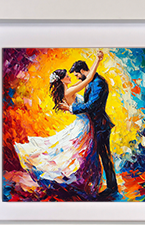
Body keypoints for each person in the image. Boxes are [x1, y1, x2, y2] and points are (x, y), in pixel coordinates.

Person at [12, 51, 105, 200]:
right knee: (79, 155)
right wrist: (97, 60)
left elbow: (85, 80)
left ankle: (84, 185)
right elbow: (88, 80)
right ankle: (83, 186)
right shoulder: (69, 92)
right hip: (84, 125)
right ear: (62, 80)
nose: (70, 76)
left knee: (80, 155)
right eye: (67, 76)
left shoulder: (68, 90)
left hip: (83, 123)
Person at [66, 52, 118, 200]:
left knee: (105, 156)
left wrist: (73, 109)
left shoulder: (98, 83)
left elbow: (92, 105)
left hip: (100, 125)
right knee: (96, 156)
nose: (77, 78)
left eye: (77, 75)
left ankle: (111, 187)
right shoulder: (91, 81)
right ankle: (97, 185)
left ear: (82, 71)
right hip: (94, 125)